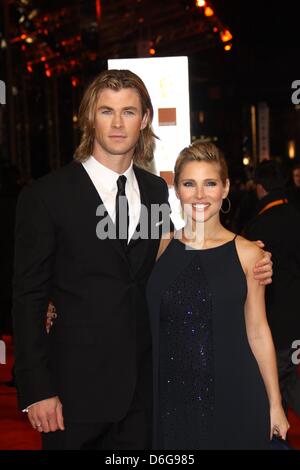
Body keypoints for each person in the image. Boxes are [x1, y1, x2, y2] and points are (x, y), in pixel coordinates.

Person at [12, 70, 273, 451]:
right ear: (90, 118)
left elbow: (184, 250)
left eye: (129, 112)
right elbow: (28, 297)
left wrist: (251, 255)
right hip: (73, 396)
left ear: (145, 119)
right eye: (106, 111)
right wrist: (37, 388)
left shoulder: (154, 192)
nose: (118, 123)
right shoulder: (47, 195)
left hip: (148, 394)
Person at [146, 142, 289, 450]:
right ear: (177, 189)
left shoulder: (250, 254)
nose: (199, 195)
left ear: (225, 188)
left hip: (235, 394)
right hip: (169, 398)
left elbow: (258, 331)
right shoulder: (158, 248)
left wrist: (275, 402)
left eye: (210, 183)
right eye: (189, 184)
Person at [245, 160, 300, 419]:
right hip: (295, 322)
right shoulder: (296, 214)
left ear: (259, 187)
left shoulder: (258, 228)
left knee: (274, 388)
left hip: (275, 325)